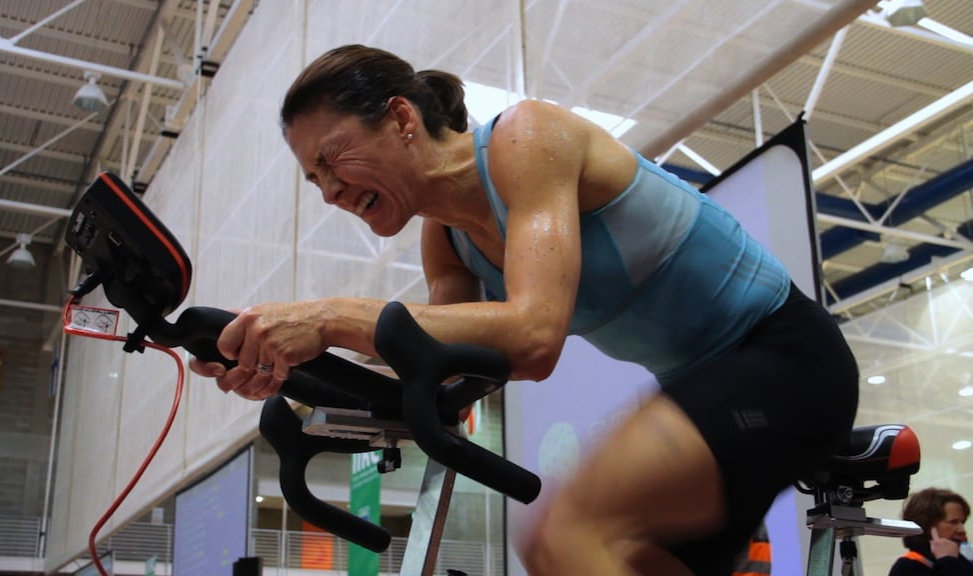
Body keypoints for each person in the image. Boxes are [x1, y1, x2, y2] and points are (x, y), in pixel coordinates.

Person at [190, 44, 859, 575]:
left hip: (784, 359)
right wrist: (299, 378)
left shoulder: (525, 139)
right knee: (596, 558)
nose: (331, 190)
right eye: (315, 179)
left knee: (562, 537)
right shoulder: (444, 236)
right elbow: (441, 364)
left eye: (333, 160)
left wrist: (328, 317)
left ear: (401, 119)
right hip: (708, 389)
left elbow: (534, 338)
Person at [888, 487, 973, 575]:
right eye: (953, 522)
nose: (962, 530)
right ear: (927, 525)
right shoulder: (907, 567)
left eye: (962, 522)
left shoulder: (962, 562)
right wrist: (947, 562)